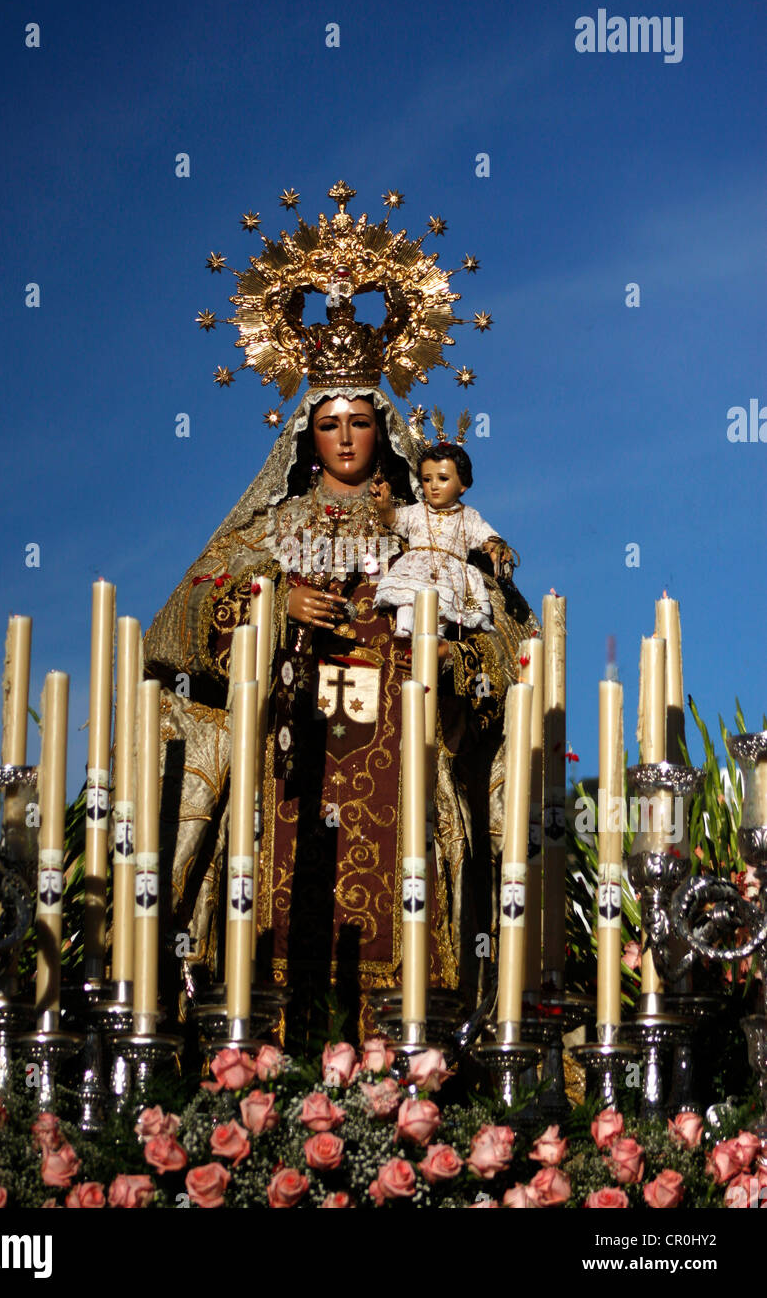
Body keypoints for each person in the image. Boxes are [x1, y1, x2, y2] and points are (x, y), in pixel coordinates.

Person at [144, 384, 537, 1046]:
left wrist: (447, 658)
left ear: (383, 431)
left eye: (360, 422)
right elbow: (174, 631)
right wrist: (272, 606)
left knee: (414, 897)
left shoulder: (429, 525)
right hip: (285, 775)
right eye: (330, 424)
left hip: (405, 773)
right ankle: (259, 1061)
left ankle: (411, 1060)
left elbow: (509, 644)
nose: (347, 438)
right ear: (307, 436)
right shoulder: (267, 530)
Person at [371, 441, 515, 638]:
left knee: (443, 603)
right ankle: (404, 627)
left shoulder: (469, 516)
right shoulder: (417, 511)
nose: (434, 486)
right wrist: (385, 506)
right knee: (408, 595)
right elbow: (393, 520)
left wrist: (496, 548)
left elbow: (486, 537)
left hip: (450, 572)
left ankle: (434, 637)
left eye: (443, 478)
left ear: (463, 484)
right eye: (427, 479)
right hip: (416, 566)